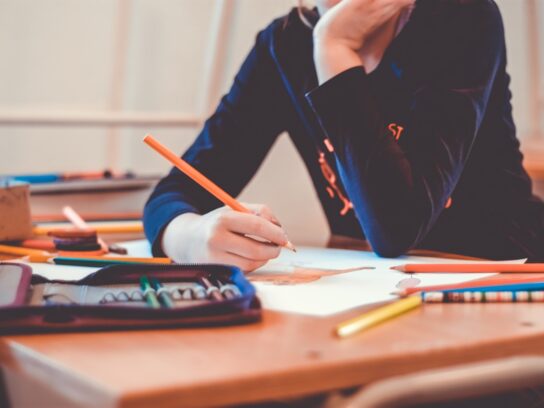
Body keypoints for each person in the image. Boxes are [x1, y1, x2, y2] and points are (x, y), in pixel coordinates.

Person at [144, 0, 544, 271]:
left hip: (504, 281)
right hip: (376, 288)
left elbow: (396, 230)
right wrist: (188, 237)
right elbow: (176, 191)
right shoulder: (284, 45)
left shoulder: (461, 17)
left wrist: (334, 51)